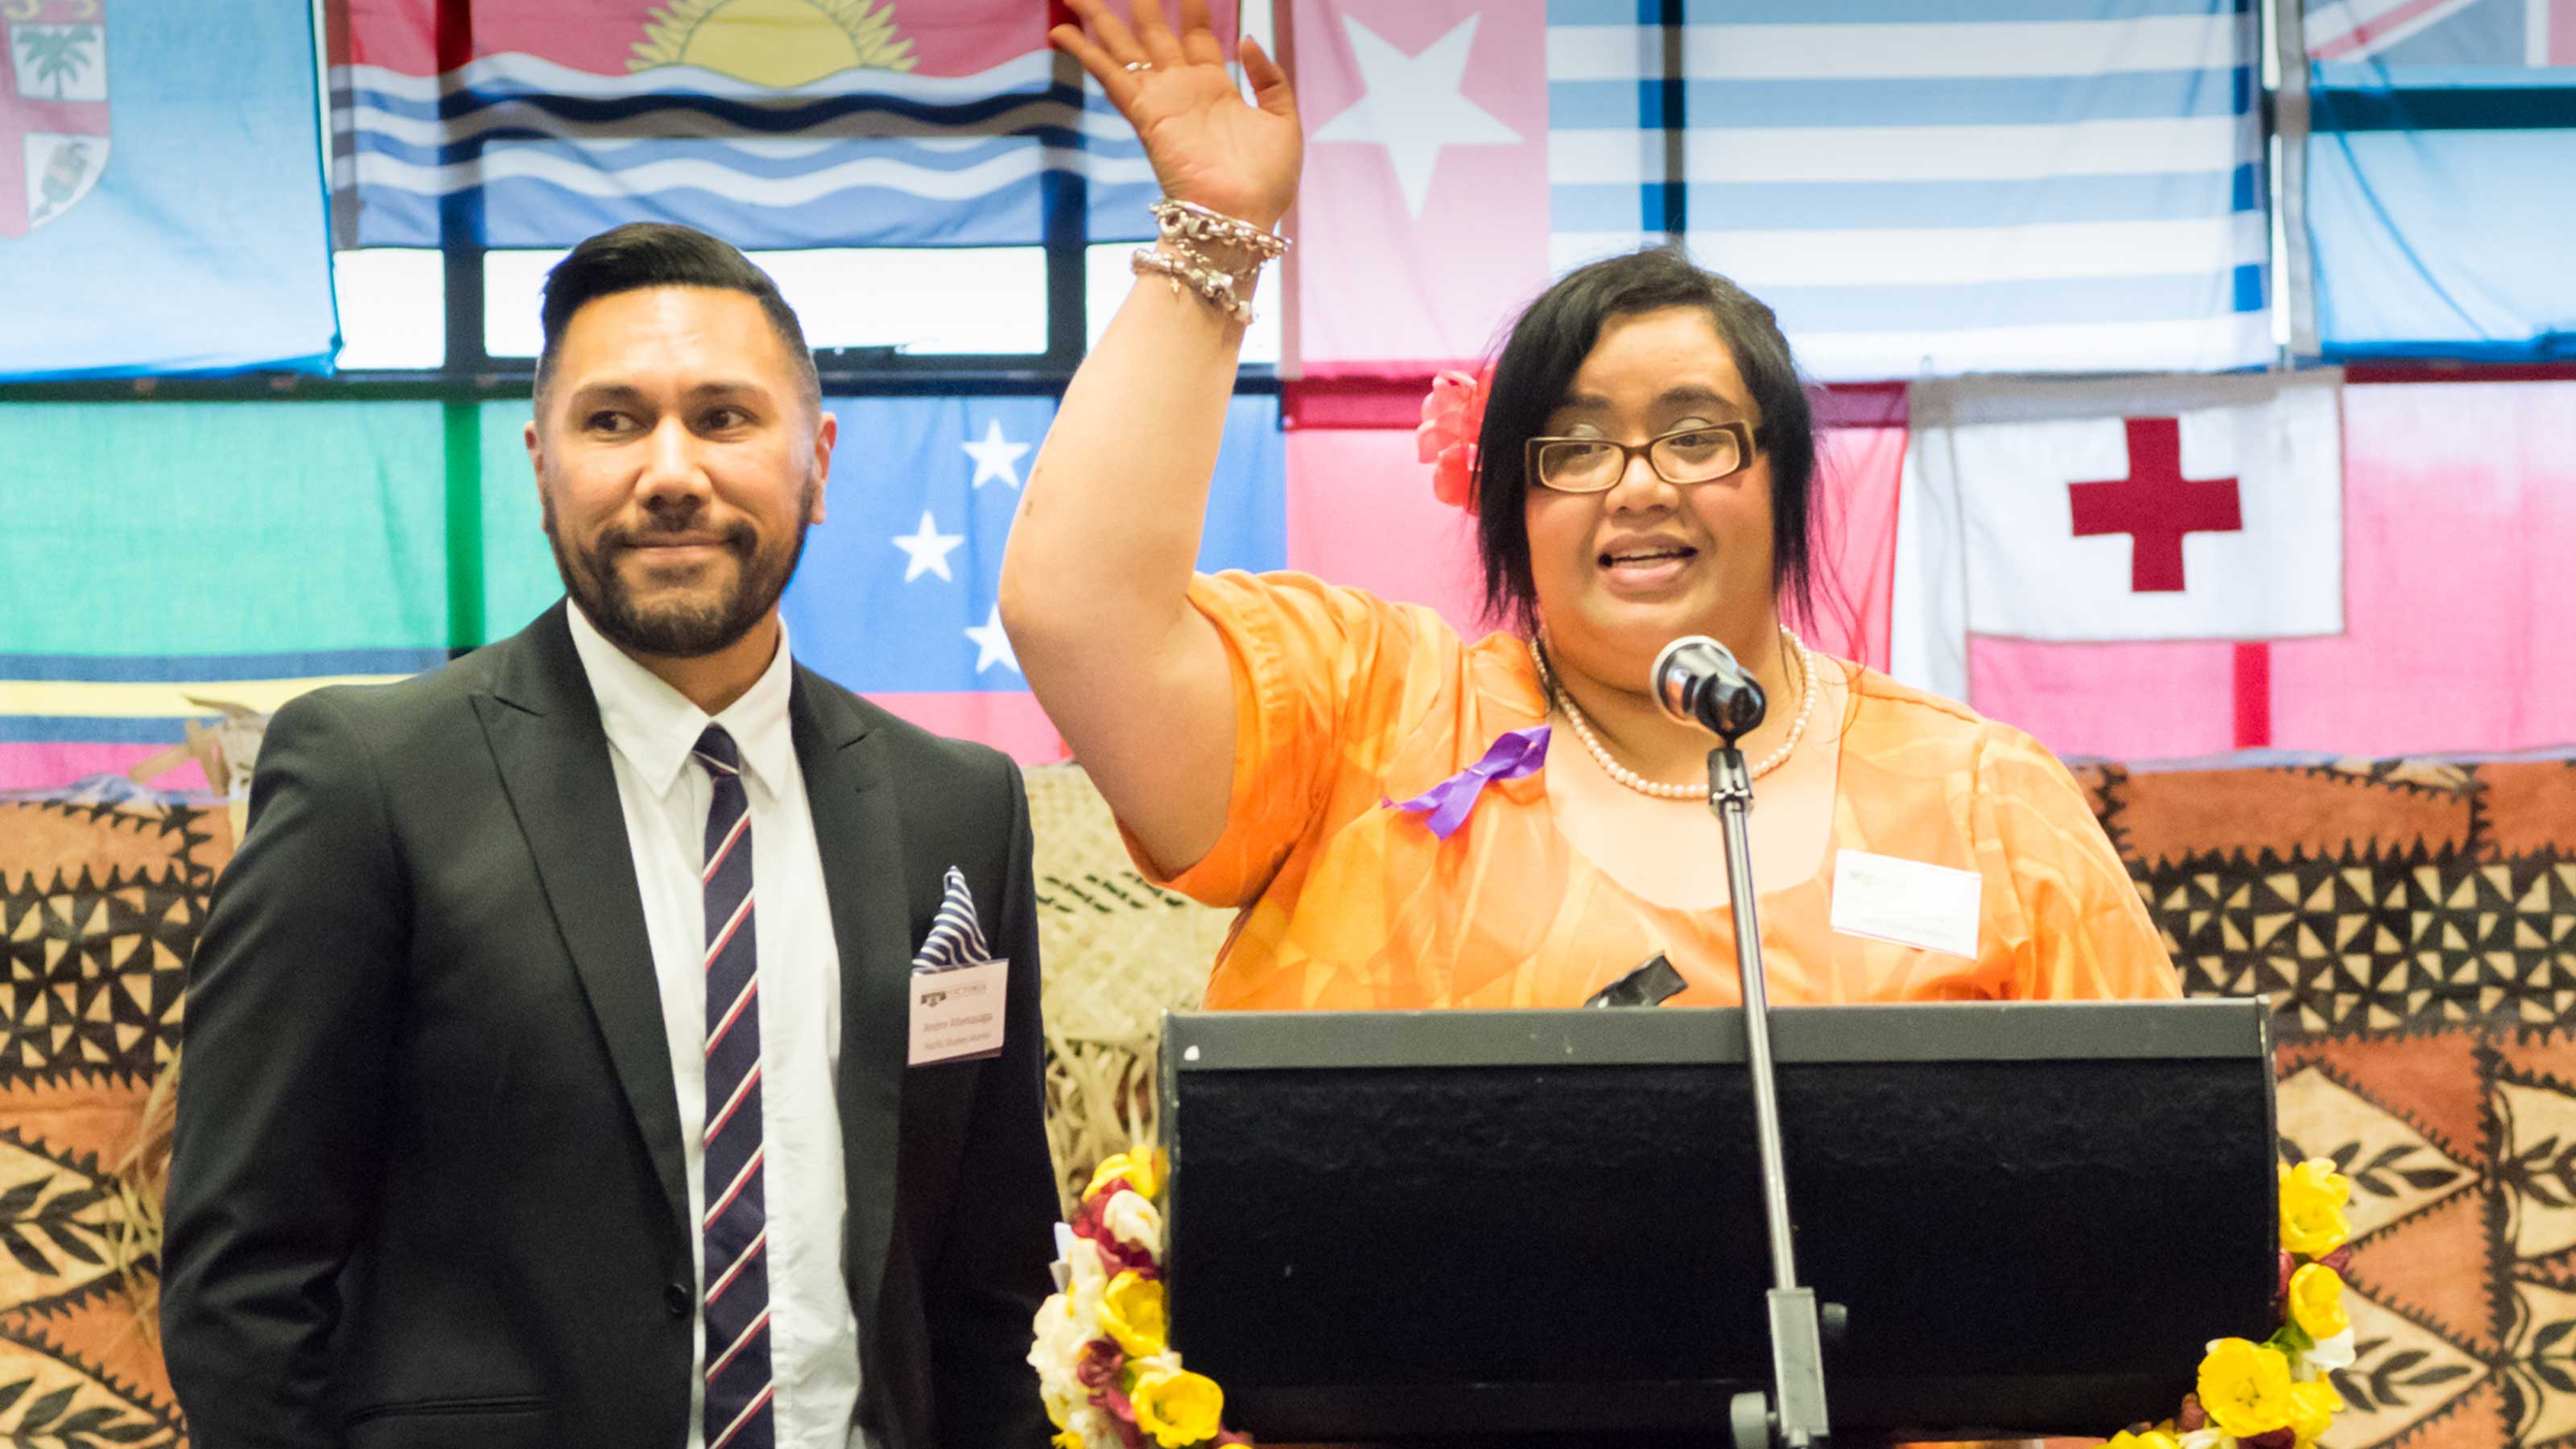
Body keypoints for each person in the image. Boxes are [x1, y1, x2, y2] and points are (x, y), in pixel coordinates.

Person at [1002, 1, 2178, 1009]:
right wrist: (1221, 233)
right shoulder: (1371, 720)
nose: (1639, 484)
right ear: (1514, 506)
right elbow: (1080, 619)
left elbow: (2161, 1176)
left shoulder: (1987, 804)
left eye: (1695, 435)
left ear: (1784, 482)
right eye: (1573, 448)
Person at [161, 224, 1057, 1449]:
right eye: (615, 421)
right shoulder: (370, 783)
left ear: (819, 462)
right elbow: (243, 1281)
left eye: (726, 418)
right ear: (542, 467)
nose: (672, 471)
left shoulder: (960, 810)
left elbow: (994, 1287)